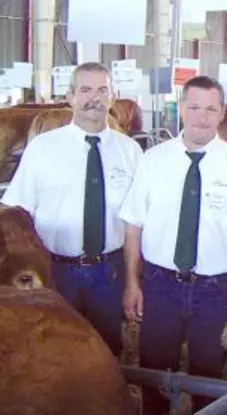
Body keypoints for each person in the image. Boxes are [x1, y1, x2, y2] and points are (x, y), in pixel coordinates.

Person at [119, 76, 227, 414]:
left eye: (210, 109)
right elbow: (133, 226)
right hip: (161, 285)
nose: (201, 117)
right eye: (193, 107)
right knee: (154, 374)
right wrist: (132, 282)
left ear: (221, 114)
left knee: (210, 378)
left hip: (214, 290)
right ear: (181, 110)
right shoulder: (153, 161)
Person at [1, 62, 141, 357]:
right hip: (56, 272)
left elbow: (135, 223)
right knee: (52, 352)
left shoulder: (130, 152)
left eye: (102, 90)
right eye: (86, 90)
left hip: (109, 273)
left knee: (107, 353)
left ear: (112, 97)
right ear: (70, 96)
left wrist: (132, 281)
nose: (95, 98)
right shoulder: (43, 149)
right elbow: (16, 214)